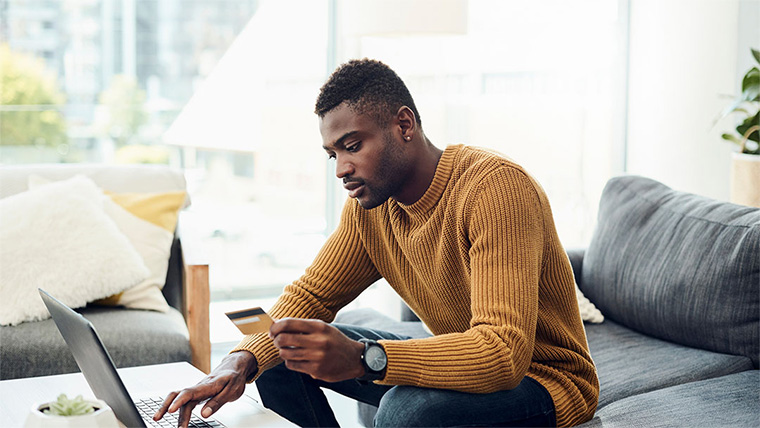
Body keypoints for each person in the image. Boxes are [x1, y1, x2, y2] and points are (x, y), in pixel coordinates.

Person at [154, 58, 599, 427]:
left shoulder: (495, 190)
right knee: (288, 350)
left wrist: (365, 357)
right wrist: (239, 361)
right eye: (333, 154)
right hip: (469, 359)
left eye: (352, 146)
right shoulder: (372, 211)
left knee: (406, 412)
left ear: (403, 124)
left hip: (545, 379)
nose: (341, 169)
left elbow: (502, 354)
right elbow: (311, 295)